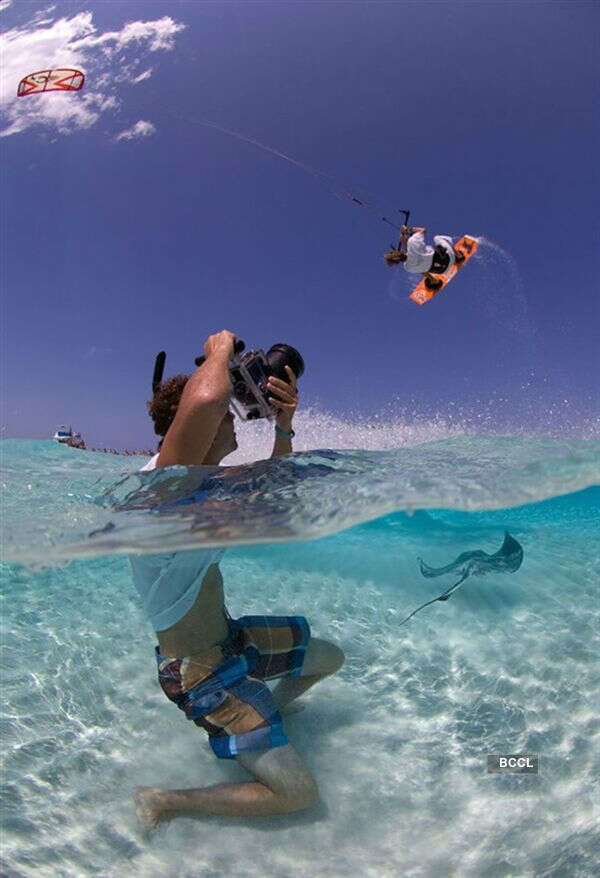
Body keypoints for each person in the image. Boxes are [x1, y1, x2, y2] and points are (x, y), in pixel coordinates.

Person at [132, 330, 345, 830]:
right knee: (297, 795)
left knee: (331, 659)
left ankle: (268, 715)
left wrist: (285, 426)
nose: (234, 420)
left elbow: (276, 481)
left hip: (230, 642)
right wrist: (219, 352)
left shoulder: (208, 485)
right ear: (196, 427)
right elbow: (206, 399)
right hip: (198, 674)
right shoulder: (160, 487)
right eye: (227, 414)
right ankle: (164, 798)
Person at [384, 225, 464, 276]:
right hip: (449, 258)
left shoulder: (408, 267)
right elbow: (423, 230)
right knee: (437, 238)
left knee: (422, 269)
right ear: (397, 252)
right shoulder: (412, 242)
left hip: (443, 271)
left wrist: (404, 241)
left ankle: (434, 282)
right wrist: (408, 230)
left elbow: (410, 254)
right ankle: (459, 256)